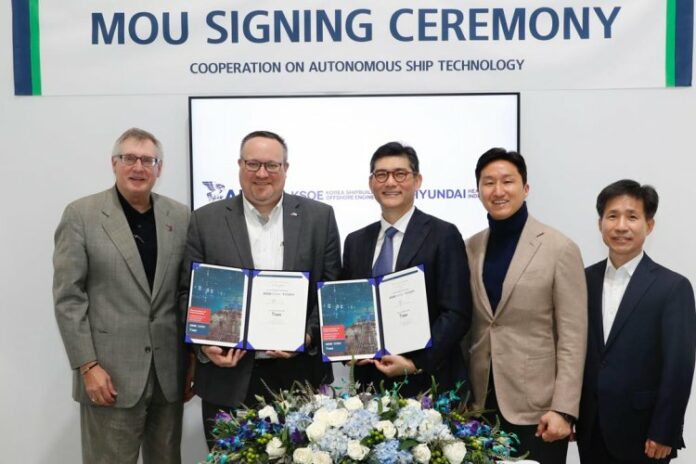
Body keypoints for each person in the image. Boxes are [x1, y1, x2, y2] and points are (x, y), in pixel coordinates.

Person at [179, 130, 341, 447]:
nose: (262, 174)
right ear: (240, 166)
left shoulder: (319, 218)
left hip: (300, 379)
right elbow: (187, 293)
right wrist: (204, 345)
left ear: (286, 168)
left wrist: (309, 335)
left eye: (271, 165)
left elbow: (331, 291)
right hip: (228, 377)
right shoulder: (205, 220)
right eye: (253, 164)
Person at [53, 128, 191, 464]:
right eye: (129, 158)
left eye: (148, 160)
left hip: (168, 378)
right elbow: (69, 297)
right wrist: (87, 366)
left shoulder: (180, 216)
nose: (138, 167)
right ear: (114, 163)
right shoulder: (81, 215)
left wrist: (191, 362)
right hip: (108, 377)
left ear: (159, 168)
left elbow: (185, 293)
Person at [465, 147, 587, 463]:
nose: (498, 190)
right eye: (488, 182)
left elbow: (573, 338)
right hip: (480, 407)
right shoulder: (470, 248)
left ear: (526, 188)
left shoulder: (559, 248)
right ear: (478, 191)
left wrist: (564, 410)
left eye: (508, 181)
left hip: (538, 411)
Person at [576, 179, 696, 464]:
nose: (621, 226)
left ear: (649, 225)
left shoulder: (672, 287)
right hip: (591, 428)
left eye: (632, 217)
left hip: (645, 433)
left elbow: (678, 367)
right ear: (600, 224)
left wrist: (665, 430)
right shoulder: (582, 280)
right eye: (612, 216)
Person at [341, 141, 472, 397]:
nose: (390, 182)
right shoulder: (355, 241)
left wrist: (415, 363)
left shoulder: (443, 234)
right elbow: (347, 308)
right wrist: (348, 350)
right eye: (381, 174)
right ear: (371, 183)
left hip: (428, 385)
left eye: (400, 174)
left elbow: (456, 312)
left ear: (417, 180)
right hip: (369, 386)